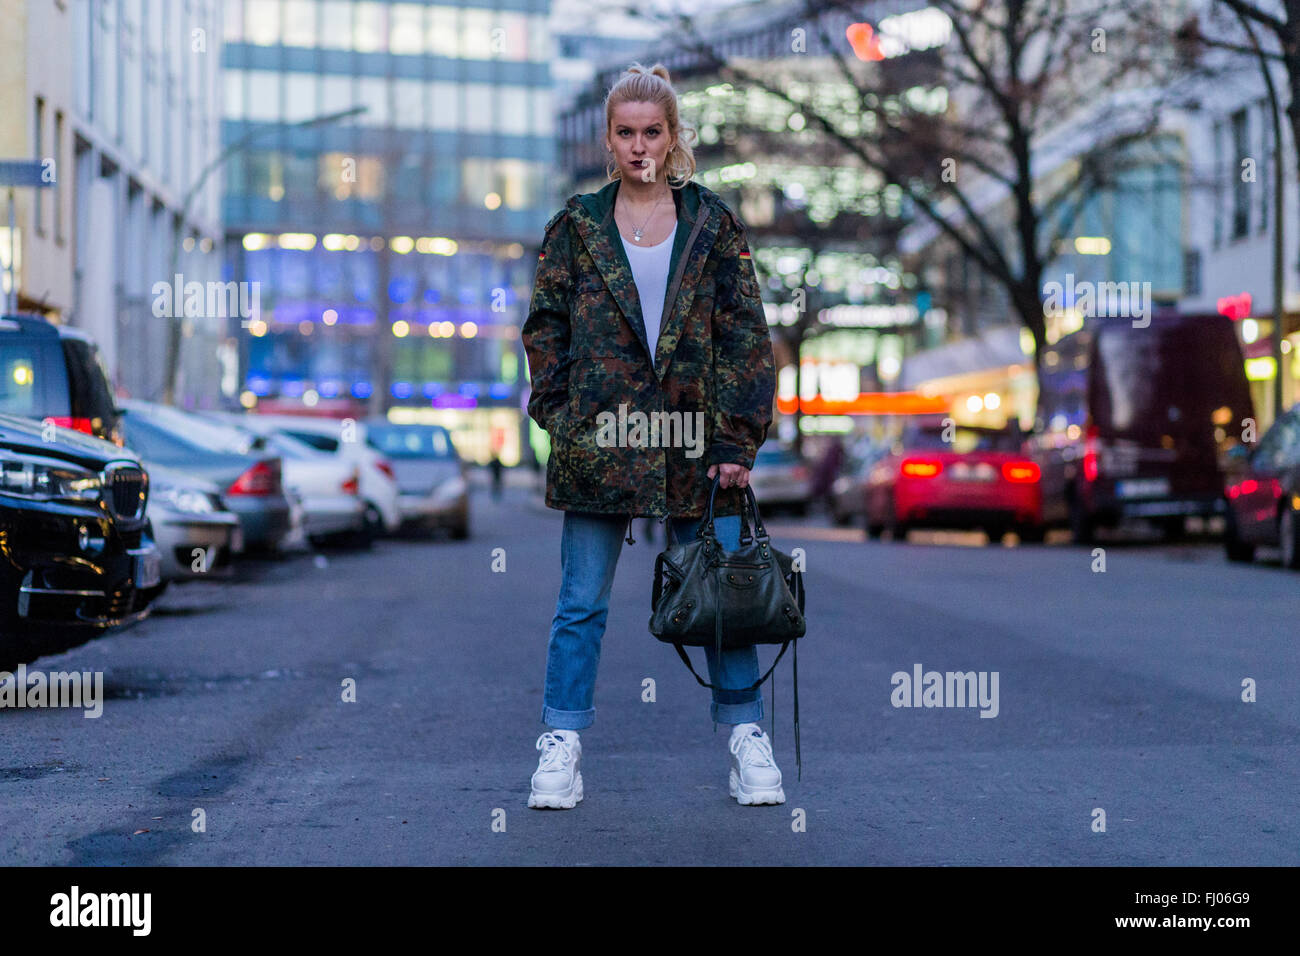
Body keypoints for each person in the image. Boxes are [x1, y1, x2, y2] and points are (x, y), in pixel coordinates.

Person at [522, 63, 780, 809]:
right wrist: (562, 416)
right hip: (599, 443)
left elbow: (745, 339)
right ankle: (561, 747)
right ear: (609, 138)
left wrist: (736, 444)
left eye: (653, 132)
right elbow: (545, 329)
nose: (640, 146)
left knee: (723, 601)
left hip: (695, 448)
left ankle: (745, 741)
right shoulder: (576, 225)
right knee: (581, 604)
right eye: (626, 133)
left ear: (673, 137)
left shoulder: (712, 223)